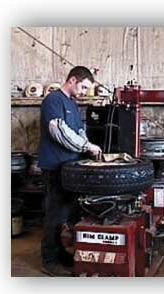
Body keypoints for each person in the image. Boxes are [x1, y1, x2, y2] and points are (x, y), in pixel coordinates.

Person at [38, 66, 102, 276]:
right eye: (83, 87)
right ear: (72, 80)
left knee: (70, 213)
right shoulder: (53, 100)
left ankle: (63, 254)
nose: (84, 92)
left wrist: (90, 146)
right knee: (55, 215)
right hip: (55, 168)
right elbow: (59, 131)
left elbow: (78, 133)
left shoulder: (73, 105)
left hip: (71, 169)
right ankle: (49, 260)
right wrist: (87, 147)